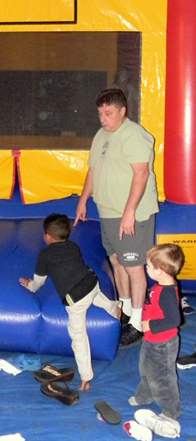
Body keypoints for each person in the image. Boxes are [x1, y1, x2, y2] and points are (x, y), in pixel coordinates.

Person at [74, 88, 159, 348]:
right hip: (108, 213)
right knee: (117, 262)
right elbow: (93, 170)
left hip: (132, 215)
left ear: (123, 111)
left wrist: (130, 212)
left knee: (134, 267)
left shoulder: (133, 135)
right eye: (100, 113)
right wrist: (83, 199)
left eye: (108, 113)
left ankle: (137, 322)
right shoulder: (101, 136)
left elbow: (141, 174)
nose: (103, 118)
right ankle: (124, 311)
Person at [19, 213, 120, 392]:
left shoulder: (45, 254)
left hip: (76, 297)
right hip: (92, 282)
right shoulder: (73, 246)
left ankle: (86, 377)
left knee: (78, 335)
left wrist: (31, 286)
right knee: (96, 296)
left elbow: (39, 281)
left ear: (47, 237)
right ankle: (115, 308)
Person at [129, 244, 184, 429]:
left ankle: (171, 410)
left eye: (149, 266)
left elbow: (174, 319)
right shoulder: (161, 283)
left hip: (162, 343)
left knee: (162, 377)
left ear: (160, 271)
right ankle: (145, 395)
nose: (147, 268)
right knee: (146, 370)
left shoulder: (167, 293)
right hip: (151, 339)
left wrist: (150, 325)